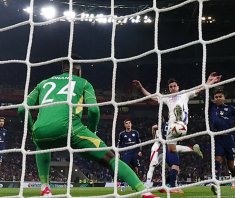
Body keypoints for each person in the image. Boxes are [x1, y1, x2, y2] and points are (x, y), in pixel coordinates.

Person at [18, 55, 158, 198]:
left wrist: (33, 132)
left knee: (42, 145)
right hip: (71, 129)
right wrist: (92, 133)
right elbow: (94, 110)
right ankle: (143, 191)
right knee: (110, 157)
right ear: (78, 69)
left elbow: (22, 109)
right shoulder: (83, 83)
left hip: (40, 131)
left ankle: (45, 188)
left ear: (63, 68)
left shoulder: (43, 83)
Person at [133, 72, 220, 194]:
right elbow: (152, 97)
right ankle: (170, 182)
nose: (173, 88)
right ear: (169, 89)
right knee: (173, 156)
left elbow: (200, 88)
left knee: (173, 151)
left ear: (178, 87)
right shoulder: (167, 98)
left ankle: (169, 184)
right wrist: (141, 88)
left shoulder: (184, 94)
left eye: (174, 86)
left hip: (179, 127)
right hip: (171, 131)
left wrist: (210, 81)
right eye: (170, 87)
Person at [146, 117, 202, 192]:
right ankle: (168, 186)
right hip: (163, 147)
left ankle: (165, 185)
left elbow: (154, 128)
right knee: (174, 166)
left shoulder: (160, 127)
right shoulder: (170, 126)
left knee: (174, 168)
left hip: (162, 148)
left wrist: (154, 135)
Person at [117, 118, 143, 191]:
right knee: (124, 169)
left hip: (134, 153)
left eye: (129, 123)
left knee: (136, 169)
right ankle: (123, 186)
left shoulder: (135, 132)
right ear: (124, 125)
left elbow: (139, 142)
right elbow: (119, 144)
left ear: (131, 124)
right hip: (126, 153)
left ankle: (135, 184)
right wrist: (118, 152)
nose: (128, 125)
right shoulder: (122, 134)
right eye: (126, 123)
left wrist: (140, 151)